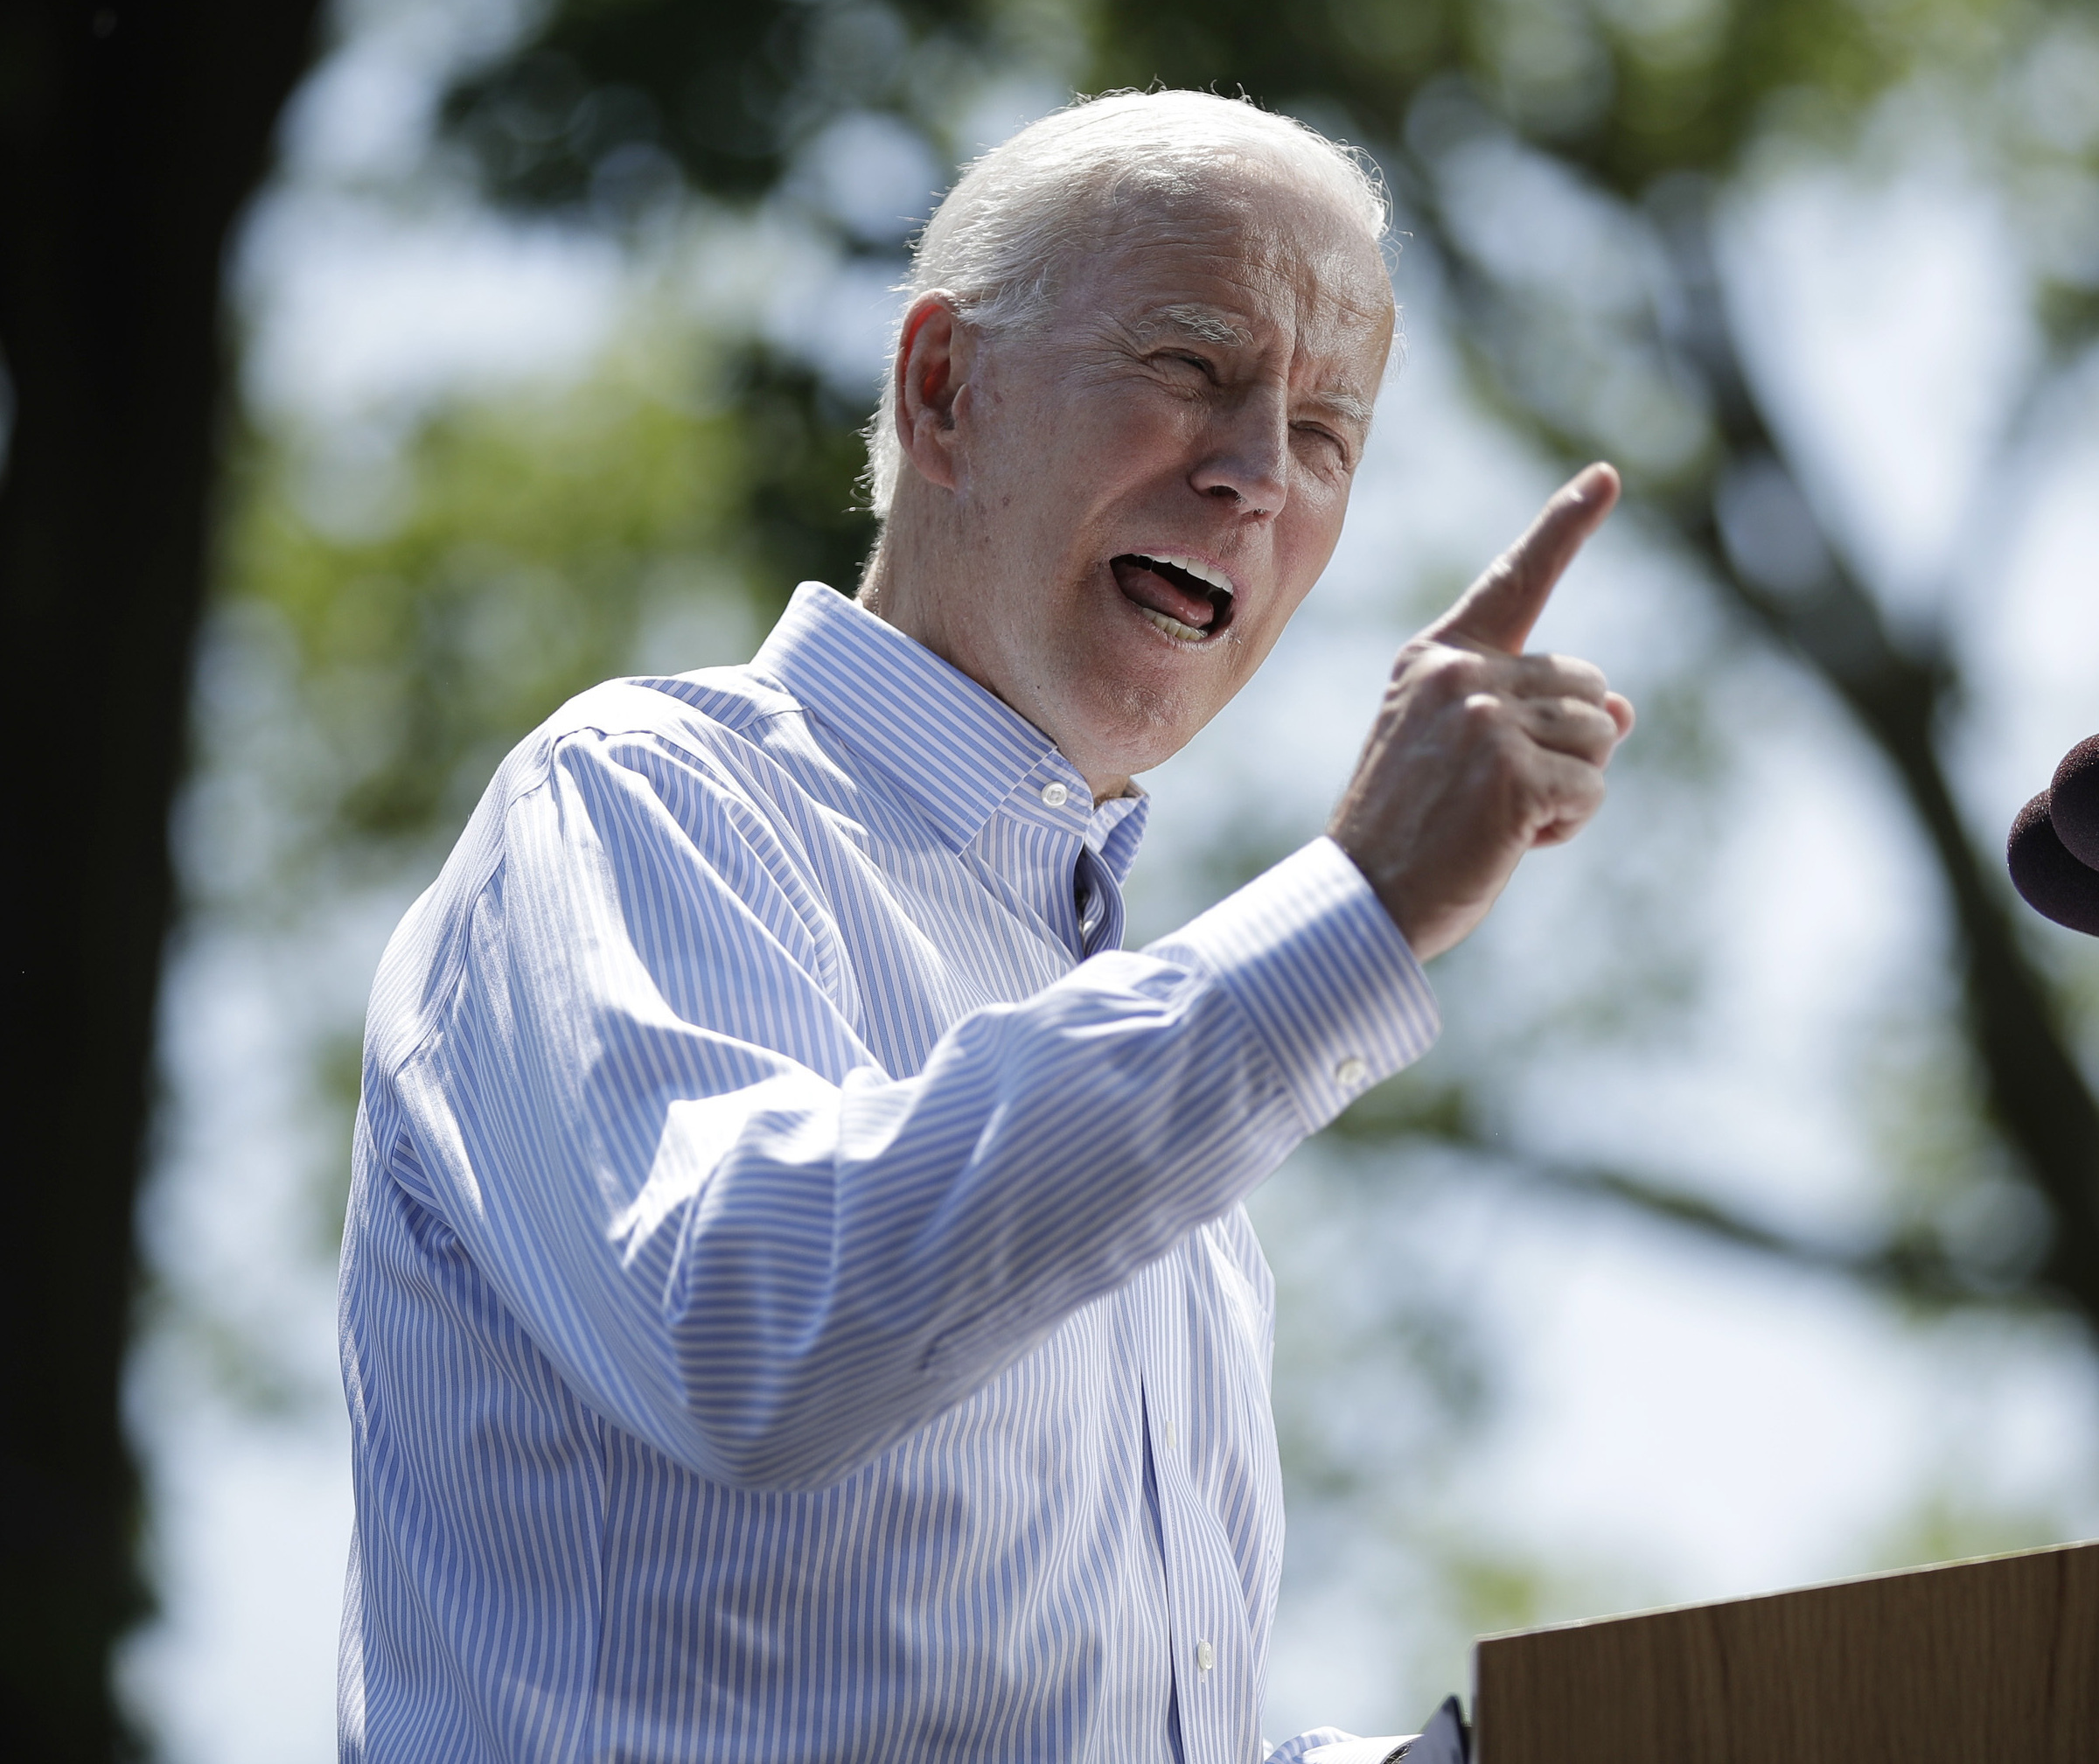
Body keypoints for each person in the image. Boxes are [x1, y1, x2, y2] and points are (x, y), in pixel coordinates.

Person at [335, 88, 1635, 1763]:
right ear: (945, 391)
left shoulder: (1134, 1081)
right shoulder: (641, 796)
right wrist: (1360, 909)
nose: (1251, 473)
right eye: (1189, 366)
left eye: (1324, 433)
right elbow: (753, 1333)